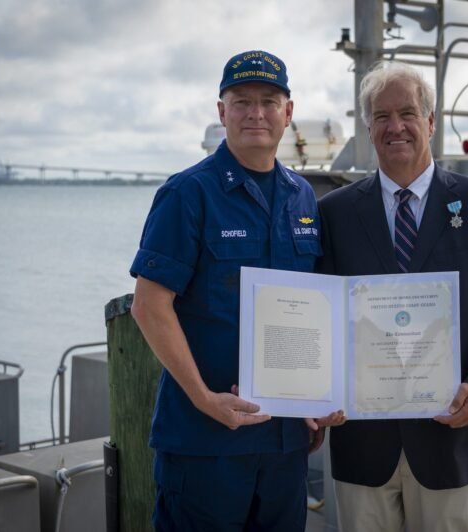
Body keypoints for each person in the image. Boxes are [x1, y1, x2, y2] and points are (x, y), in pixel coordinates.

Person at [130, 50, 344, 532]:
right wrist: (205, 399)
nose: (256, 113)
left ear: (288, 113)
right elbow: (149, 306)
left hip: (284, 445)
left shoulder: (302, 196)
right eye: (242, 101)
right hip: (206, 444)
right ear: (221, 110)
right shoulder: (188, 194)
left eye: (269, 101)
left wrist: (315, 399)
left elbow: (309, 308)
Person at [318, 61, 468, 532]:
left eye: (408, 113)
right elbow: (320, 316)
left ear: (431, 122)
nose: (395, 127)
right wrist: (313, 393)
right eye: (381, 116)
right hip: (361, 444)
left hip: (447, 439)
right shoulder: (333, 213)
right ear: (368, 127)